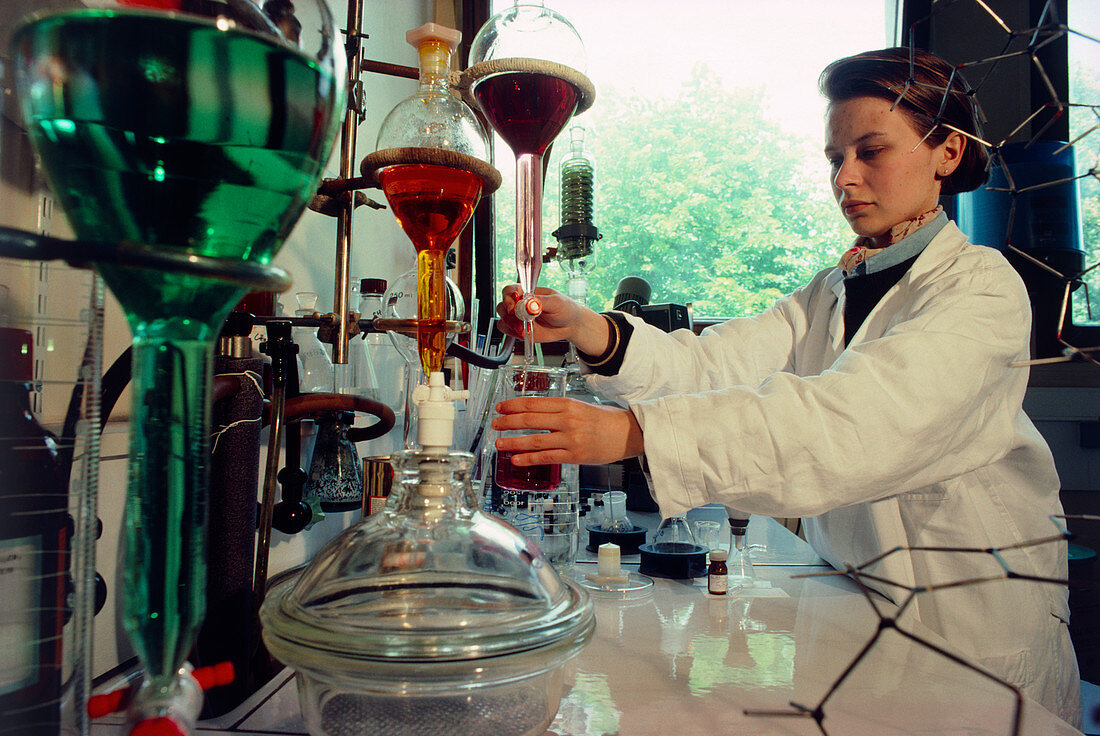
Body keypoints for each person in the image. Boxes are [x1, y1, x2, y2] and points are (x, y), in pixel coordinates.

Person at [492, 47, 1081, 727]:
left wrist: (635, 433)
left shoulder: (981, 289)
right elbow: (716, 366)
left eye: (871, 151)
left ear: (947, 151)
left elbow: (858, 423)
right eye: (835, 158)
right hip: (853, 611)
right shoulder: (834, 290)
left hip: (969, 629)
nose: (846, 178)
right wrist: (590, 328)